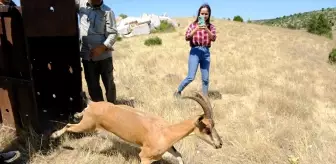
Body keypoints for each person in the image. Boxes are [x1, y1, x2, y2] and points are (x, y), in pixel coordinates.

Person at [75, 0, 118, 103]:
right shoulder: (80, 5)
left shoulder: (108, 11)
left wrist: (102, 47)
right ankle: (100, 110)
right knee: (93, 86)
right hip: (87, 56)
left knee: (109, 84)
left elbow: (113, 33)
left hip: (104, 56)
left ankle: (112, 108)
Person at [174, 3, 216, 97]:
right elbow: (187, 37)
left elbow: (213, 38)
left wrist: (206, 29)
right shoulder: (193, 25)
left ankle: (204, 98)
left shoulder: (211, 27)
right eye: (202, 13)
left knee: (205, 79)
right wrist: (196, 29)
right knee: (191, 77)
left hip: (205, 52)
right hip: (195, 51)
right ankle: (177, 92)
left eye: (206, 14)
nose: (204, 16)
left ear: (209, 14)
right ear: (199, 14)